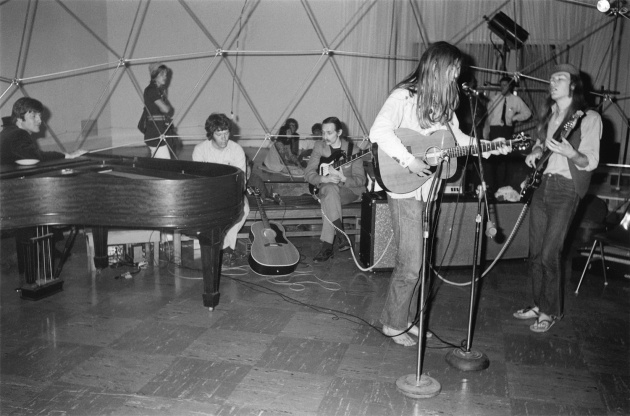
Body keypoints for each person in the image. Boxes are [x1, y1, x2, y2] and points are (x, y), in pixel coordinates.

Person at [369, 41, 509, 347]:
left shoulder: (445, 107)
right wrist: (409, 159)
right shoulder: (404, 96)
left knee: (420, 261)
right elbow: (378, 132)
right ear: (438, 67)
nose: (457, 76)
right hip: (404, 188)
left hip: (427, 193)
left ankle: (407, 319)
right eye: (454, 70)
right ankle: (393, 324)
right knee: (411, 262)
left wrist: (490, 147)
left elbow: (458, 140)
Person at [513, 63, 601, 333]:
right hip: (542, 185)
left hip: (566, 188)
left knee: (551, 253)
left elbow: (591, 161)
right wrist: (536, 150)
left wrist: (570, 151)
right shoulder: (550, 114)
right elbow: (541, 142)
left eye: (559, 78)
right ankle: (538, 304)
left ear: (573, 84)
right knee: (536, 251)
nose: (552, 82)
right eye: (551, 78)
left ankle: (550, 311)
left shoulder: (588, 118)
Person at [304, 116, 366, 262]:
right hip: (325, 188)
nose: (325, 136)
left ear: (339, 132)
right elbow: (308, 173)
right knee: (330, 190)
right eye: (323, 133)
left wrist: (343, 178)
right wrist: (324, 179)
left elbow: (361, 180)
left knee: (329, 197)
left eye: (329, 133)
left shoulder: (353, 150)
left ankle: (327, 246)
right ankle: (340, 235)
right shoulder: (320, 146)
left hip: (348, 192)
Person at [192, 113, 249, 265]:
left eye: (226, 133)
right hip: (208, 196)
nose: (224, 138)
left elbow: (241, 181)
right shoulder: (200, 150)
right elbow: (199, 182)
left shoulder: (236, 149)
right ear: (211, 134)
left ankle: (224, 248)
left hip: (231, 194)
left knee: (244, 210)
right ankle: (224, 249)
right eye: (219, 134)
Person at [0, 97, 86, 165]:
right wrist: (66, 155)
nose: (40, 120)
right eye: (33, 116)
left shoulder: (6, 132)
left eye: (39, 116)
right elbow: (34, 156)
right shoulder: (19, 134)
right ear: (19, 120)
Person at [482, 76, 532, 192]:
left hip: (506, 131)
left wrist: (514, 118)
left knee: (504, 159)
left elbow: (527, 113)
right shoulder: (494, 99)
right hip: (494, 130)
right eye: (501, 85)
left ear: (510, 86)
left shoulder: (516, 100)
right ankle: (490, 187)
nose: (503, 87)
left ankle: (502, 186)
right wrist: (486, 132)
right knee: (491, 158)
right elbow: (488, 117)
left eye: (505, 85)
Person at [142, 62, 175, 159]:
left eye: (165, 74)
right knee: (165, 162)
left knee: (158, 161)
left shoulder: (158, 90)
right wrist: (166, 107)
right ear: (154, 75)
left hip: (159, 130)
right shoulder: (151, 90)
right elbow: (165, 109)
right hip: (155, 131)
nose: (165, 76)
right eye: (162, 74)